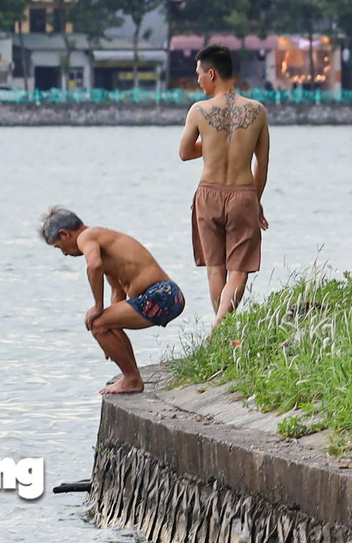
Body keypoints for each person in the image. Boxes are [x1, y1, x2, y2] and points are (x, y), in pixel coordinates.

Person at [40, 207, 185, 394]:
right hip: (168, 297)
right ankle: (132, 378)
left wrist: (98, 307)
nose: (65, 254)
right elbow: (117, 292)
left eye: (59, 247)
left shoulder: (87, 236)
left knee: (97, 323)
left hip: (161, 296)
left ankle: (132, 379)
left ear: (65, 234)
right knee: (103, 325)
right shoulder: (103, 242)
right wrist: (110, 338)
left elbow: (94, 266)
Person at [178, 44, 270, 330]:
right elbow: (262, 164)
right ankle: (222, 329)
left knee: (215, 268)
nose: (198, 80)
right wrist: (256, 201)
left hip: (209, 194)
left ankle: (218, 329)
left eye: (199, 74)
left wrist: (213, 145)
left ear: (212, 73)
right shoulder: (257, 111)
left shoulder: (199, 110)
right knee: (238, 272)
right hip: (243, 195)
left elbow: (184, 153)